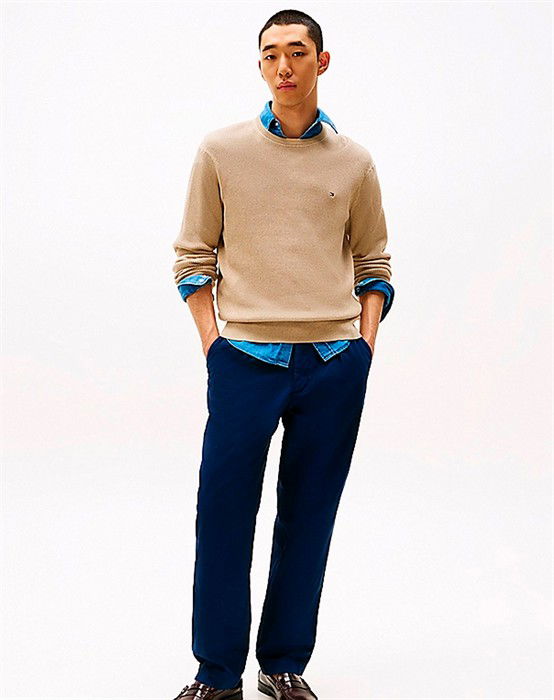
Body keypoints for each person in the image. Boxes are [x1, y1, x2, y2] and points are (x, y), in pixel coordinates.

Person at [170, 9, 395, 700]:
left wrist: (363, 346)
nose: (283, 66)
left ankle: (283, 665)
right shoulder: (221, 151)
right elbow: (192, 257)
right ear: (260, 65)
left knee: (309, 515)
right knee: (223, 513)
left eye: (297, 52)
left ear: (321, 62)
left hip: (332, 363)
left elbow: (374, 261)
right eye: (270, 54)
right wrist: (214, 343)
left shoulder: (354, 161)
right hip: (244, 360)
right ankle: (216, 675)